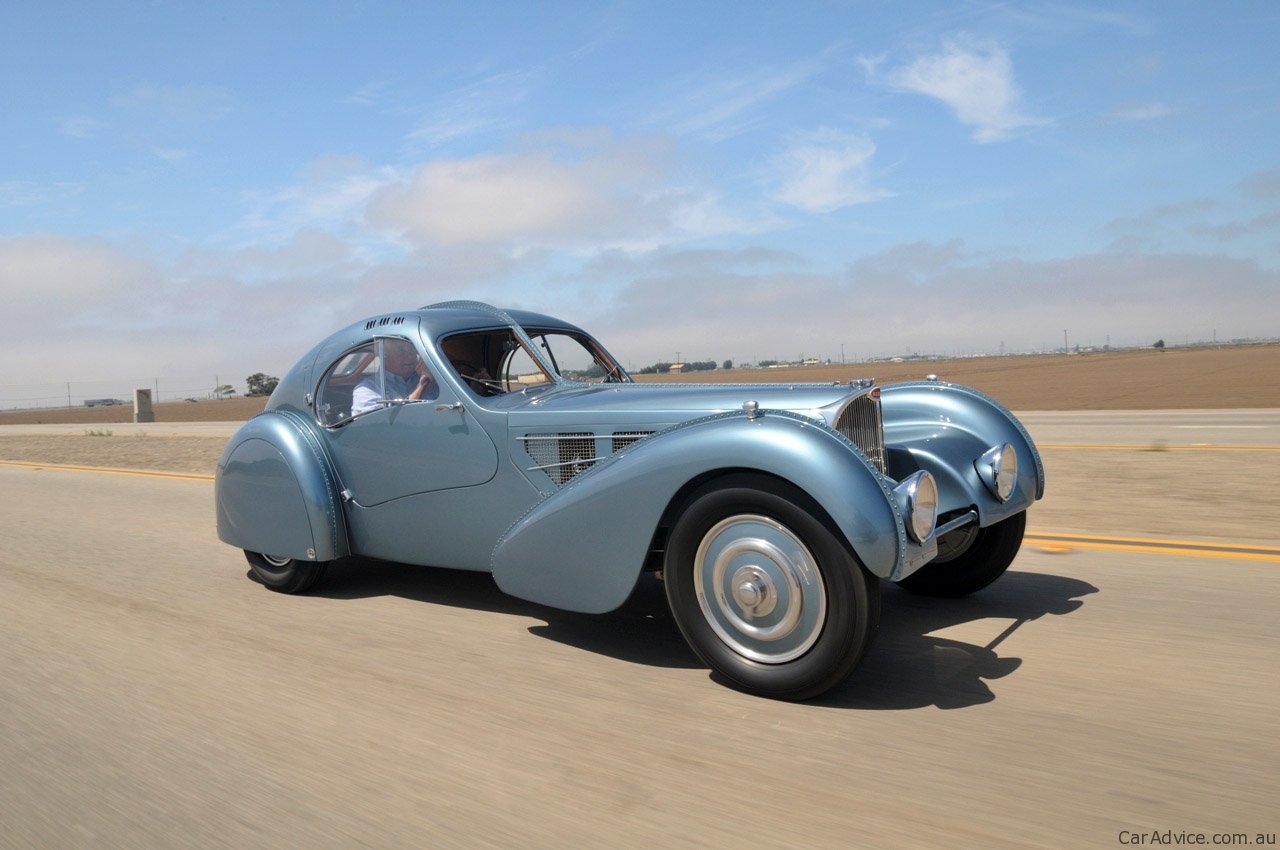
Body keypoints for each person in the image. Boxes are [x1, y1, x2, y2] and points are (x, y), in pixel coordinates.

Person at [351, 338, 436, 415]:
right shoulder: (367, 389)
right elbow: (381, 427)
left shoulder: (430, 378)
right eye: (401, 351)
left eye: (412, 350)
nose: (410, 355)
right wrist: (423, 383)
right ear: (384, 355)